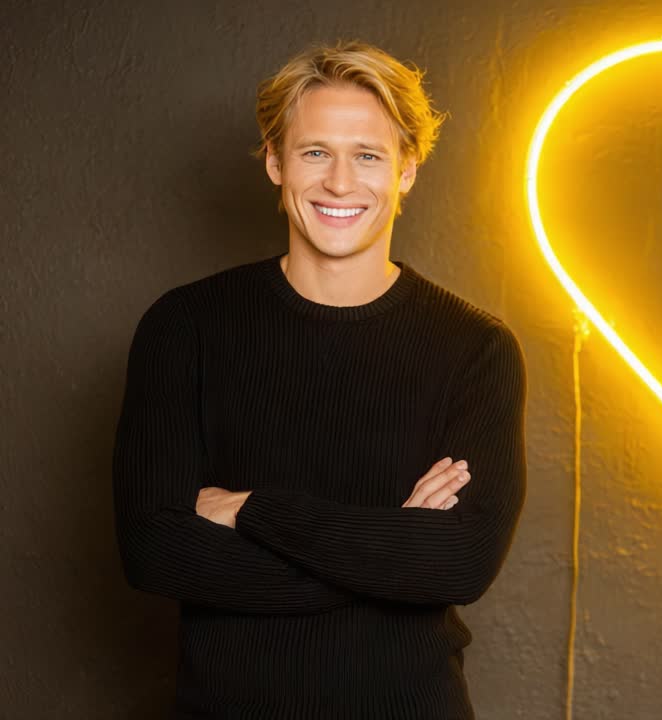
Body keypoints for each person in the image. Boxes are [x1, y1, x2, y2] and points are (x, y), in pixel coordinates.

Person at [111, 39, 527, 719]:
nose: (340, 182)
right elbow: (155, 551)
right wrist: (391, 546)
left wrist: (253, 511)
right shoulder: (183, 326)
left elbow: (458, 566)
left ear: (408, 172)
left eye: (368, 155)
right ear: (276, 162)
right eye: (315, 152)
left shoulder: (474, 348)